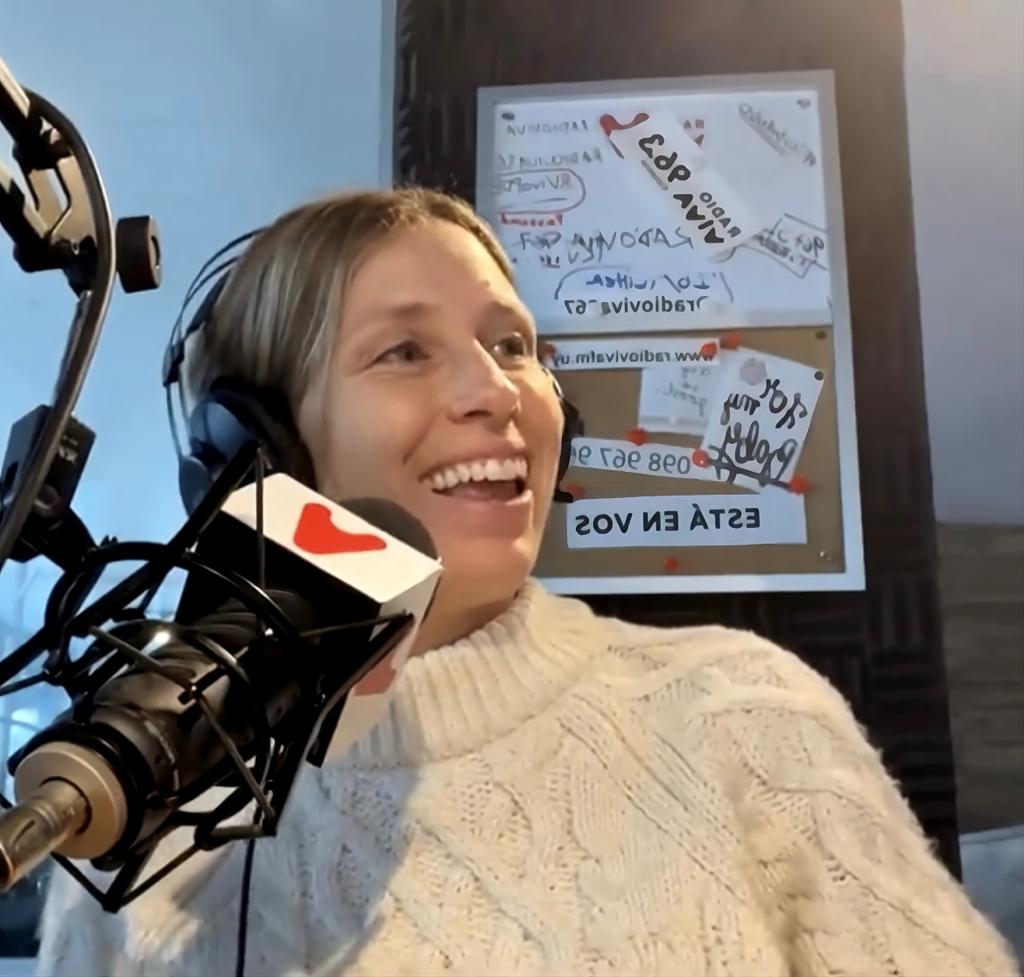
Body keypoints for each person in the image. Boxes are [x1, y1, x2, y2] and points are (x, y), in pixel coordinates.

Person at [36, 188, 1018, 977]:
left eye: (512, 345)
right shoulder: (129, 822)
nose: (498, 391)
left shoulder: (740, 712)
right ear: (258, 454)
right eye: (404, 351)